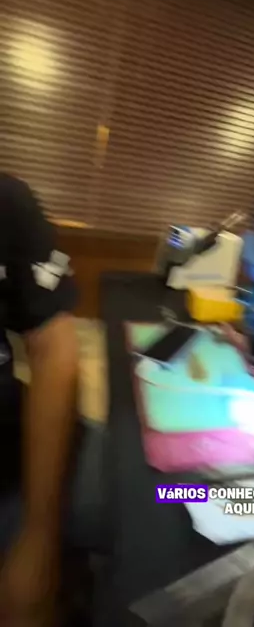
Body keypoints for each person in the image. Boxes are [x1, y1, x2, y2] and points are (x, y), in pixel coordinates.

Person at [0, 173, 80, 627]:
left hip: (11, 473)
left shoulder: (7, 200)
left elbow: (54, 343)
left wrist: (39, 539)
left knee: (164, 498)